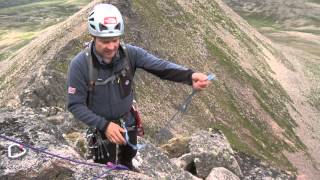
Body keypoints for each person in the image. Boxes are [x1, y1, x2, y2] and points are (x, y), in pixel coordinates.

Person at [67, 3, 210, 171]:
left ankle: (128, 167)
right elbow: (75, 104)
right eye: (105, 41)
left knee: (128, 156)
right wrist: (104, 125)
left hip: (128, 121)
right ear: (93, 37)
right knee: (105, 169)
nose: (112, 47)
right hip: (101, 129)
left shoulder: (130, 54)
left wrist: (189, 76)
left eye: (115, 40)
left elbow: (160, 67)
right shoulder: (80, 64)